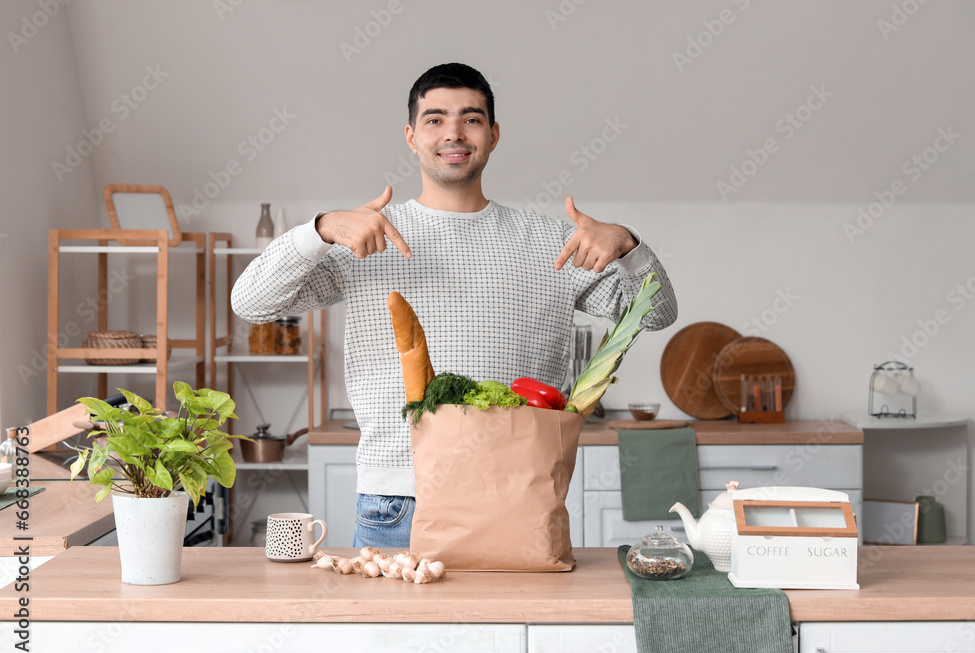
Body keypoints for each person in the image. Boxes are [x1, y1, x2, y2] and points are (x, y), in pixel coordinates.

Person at [231, 63, 678, 548]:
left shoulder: (553, 242)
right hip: (399, 500)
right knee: (397, 628)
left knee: (519, 627)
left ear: (493, 133)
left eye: (471, 118)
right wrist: (318, 229)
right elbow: (251, 303)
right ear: (411, 135)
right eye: (435, 119)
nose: (454, 133)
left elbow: (657, 313)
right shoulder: (366, 237)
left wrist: (630, 245)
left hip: (518, 492)